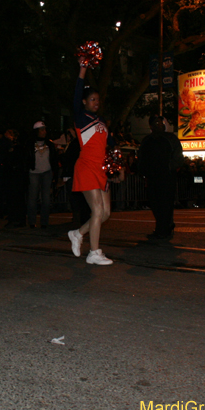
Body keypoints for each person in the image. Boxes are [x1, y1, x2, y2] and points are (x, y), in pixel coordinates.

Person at [66, 59, 122, 265]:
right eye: (91, 99)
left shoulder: (102, 122)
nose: (96, 102)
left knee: (106, 213)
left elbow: (111, 142)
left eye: (98, 99)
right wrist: (82, 70)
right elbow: (76, 93)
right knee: (97, 210)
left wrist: (117, 160)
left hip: (101, 168)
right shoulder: (81, 118)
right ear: (84, 102)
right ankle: (94, 252)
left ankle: (78, 233)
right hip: (87, 166)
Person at [138, 115, 184, 239]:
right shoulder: (147, 140)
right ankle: (162, 226)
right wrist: (144, 172)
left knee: (166, 203)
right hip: (153, 177)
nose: (160, 125)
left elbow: (178, 157)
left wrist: (170, 167)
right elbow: (141, 158)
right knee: (155, 202)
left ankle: (164, 228)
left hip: (166, 177)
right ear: (151, 126)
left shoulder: (171, 138)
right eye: (156, 123)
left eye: (161, 122)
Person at [27, 121, 58, 228]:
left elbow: (54, 159)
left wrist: (55, 172)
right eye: (41, 130)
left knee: (46, 199)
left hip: (47, 173)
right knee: (33, 198)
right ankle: (32, 221)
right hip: (34, 173)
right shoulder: (30, 144)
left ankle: (44, 222)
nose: (44, 132)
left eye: (45, 129)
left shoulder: (50, 144)